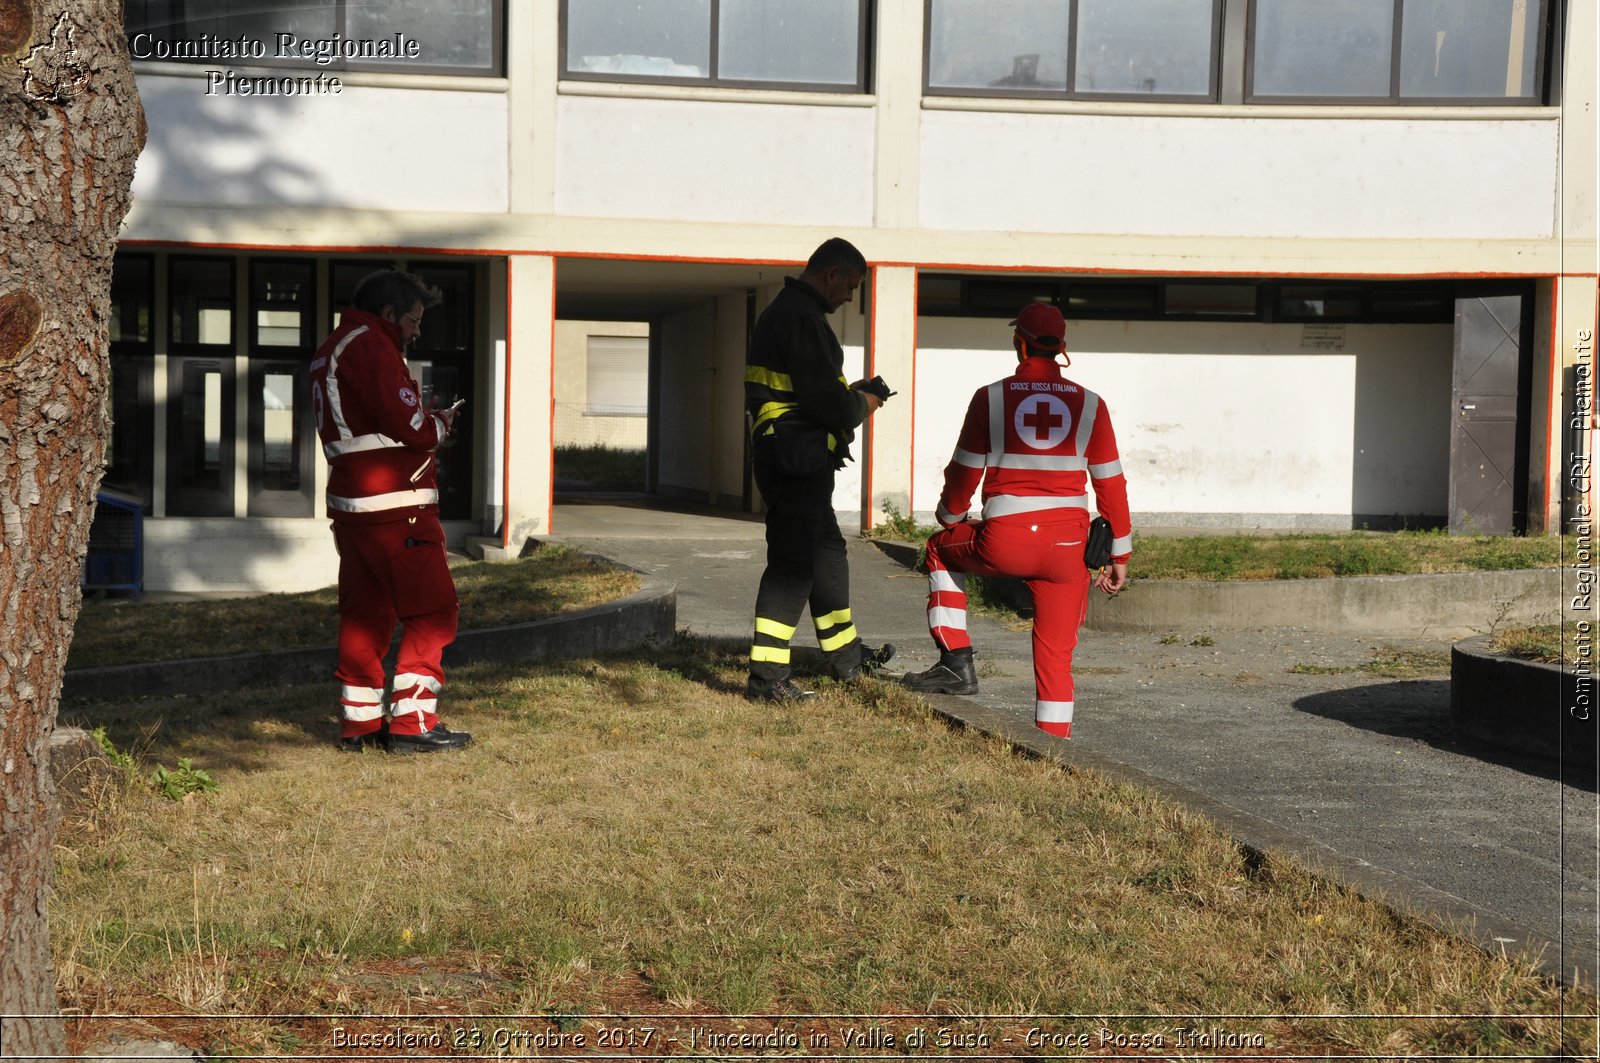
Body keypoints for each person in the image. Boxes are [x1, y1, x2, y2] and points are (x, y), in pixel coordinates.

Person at [902, 302, 1132, 739]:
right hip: (1069, 550)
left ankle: (955, 661)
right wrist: (1119, 552)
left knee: (938, 549)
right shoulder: (1092, 405)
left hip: (1004, 540)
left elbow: (964, 472)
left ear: (1019, 344)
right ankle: (1052, 746)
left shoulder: (990, 397)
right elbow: (1111, 485)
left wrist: (950, 516)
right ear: (1062, 347)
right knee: (1056, 655)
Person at [310, 268, 472, 754]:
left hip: (352, 505)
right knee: (434, 611)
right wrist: (441, 423)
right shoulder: (372, 345)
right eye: (413, 320)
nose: (417, 331)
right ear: (388, 314)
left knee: (366, 615)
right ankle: (414, 722)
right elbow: (413, 427)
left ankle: (359, 726)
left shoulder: (331, 347)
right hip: (396, 505)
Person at [744, 237, 895, 702]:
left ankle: (847, 657)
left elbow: (807, 389)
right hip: (795, 458)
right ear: (830, 274)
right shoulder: (804, 318)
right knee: (793, 565)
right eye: (849, 286)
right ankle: (766, 680)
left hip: (795, 455)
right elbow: (828, 404)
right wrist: (866, 400)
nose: (850, 297)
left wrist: (851, 394)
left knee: (826, 554)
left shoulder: (791, 313)